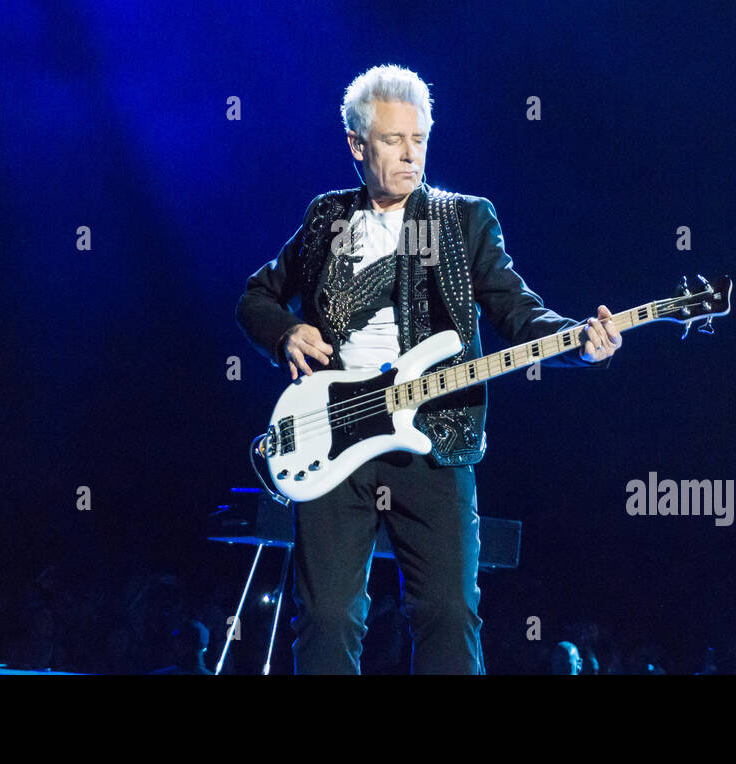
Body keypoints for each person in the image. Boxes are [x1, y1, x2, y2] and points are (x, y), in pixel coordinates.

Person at [235, 64, 621, 674]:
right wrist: (286, 331)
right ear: (357, 145)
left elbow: (518, 311)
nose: (410, 154)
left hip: (435, 437)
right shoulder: (325, 219)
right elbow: (255, 296)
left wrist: (577, 341)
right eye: (393, 140)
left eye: (419, 139)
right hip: (330, 438)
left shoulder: (463, 219)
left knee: (447, 610)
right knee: (328, 617)